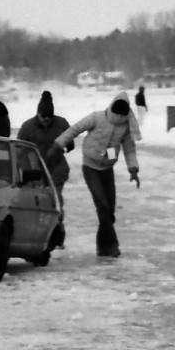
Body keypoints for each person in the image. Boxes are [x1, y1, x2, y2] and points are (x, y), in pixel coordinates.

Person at [50, 91, 140, 258]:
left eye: (122, 115)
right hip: (90, 167)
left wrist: (133, 169)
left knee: (109, 211)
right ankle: (112, 246)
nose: (118, 118)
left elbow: (129, 149)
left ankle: (102, 246)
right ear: (112, 108)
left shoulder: (125, 126)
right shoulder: (97, 117)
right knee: (102, 206)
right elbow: (75, 129)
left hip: (107, 168)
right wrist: (58, 145)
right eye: (116, 114)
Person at [16, 91, 72, 246]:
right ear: (38, 114)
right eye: (43, 117)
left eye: (50, 118)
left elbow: (71, 141)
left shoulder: (61, 123)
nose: (47, 120)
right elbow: (19, 151)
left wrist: (66, 146)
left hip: (57, 170)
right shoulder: (28, 127)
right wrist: (25, 170)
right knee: (37, 202)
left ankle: (58, 234)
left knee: (56, 201)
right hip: (35, 172)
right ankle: (34, 234)